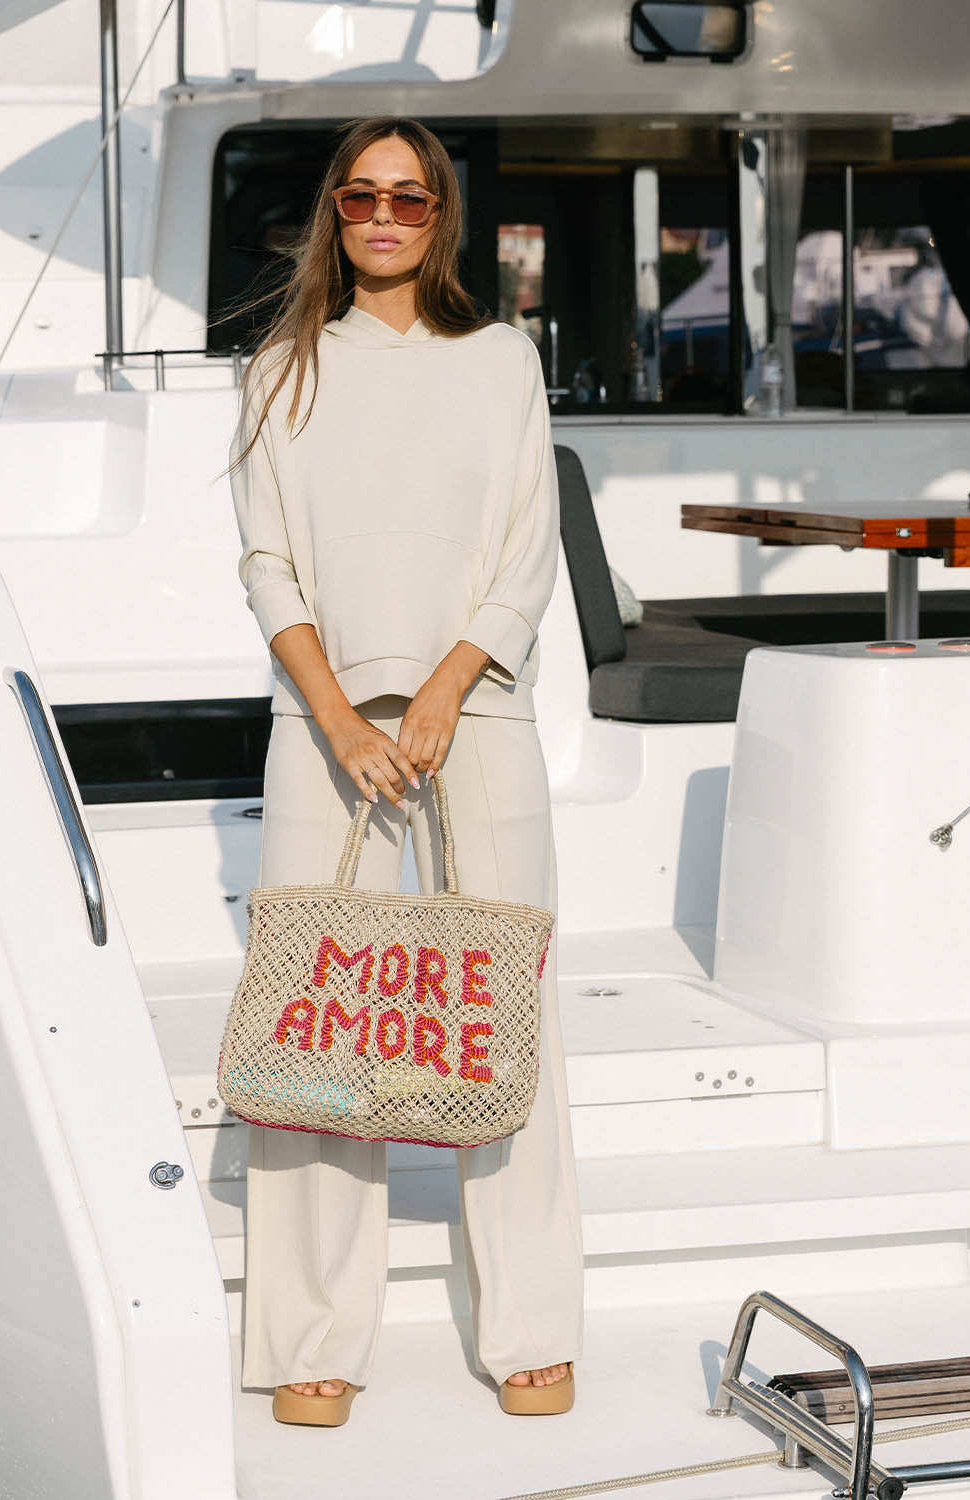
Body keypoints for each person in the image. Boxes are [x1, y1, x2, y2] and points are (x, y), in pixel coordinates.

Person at [225, 115, 584, 1428]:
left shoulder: (501, 361)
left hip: (472, 716)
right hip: (324, 726)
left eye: (410, 197)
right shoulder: (281, 368)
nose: (383, 215)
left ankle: (531, 1321)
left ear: (442, 217)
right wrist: (342, 718)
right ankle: (315, 1333)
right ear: (333, 211)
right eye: (362, 195)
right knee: (320, 1031)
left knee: (505, 1013)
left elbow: (523, 555)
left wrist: (432, 702)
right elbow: (268, 564)